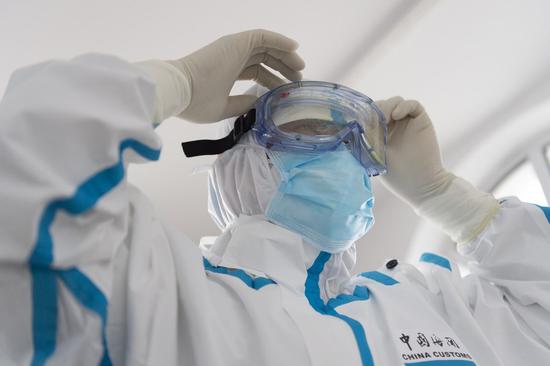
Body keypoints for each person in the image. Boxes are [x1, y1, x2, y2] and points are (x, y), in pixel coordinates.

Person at [0, 29, 548, 366]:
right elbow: (23, 185)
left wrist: (447, 198)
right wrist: (180, 81)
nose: (346, 152)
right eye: (314, 130)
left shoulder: (429, 302)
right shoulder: (171, 295)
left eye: (360, 140)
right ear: (240, 162)